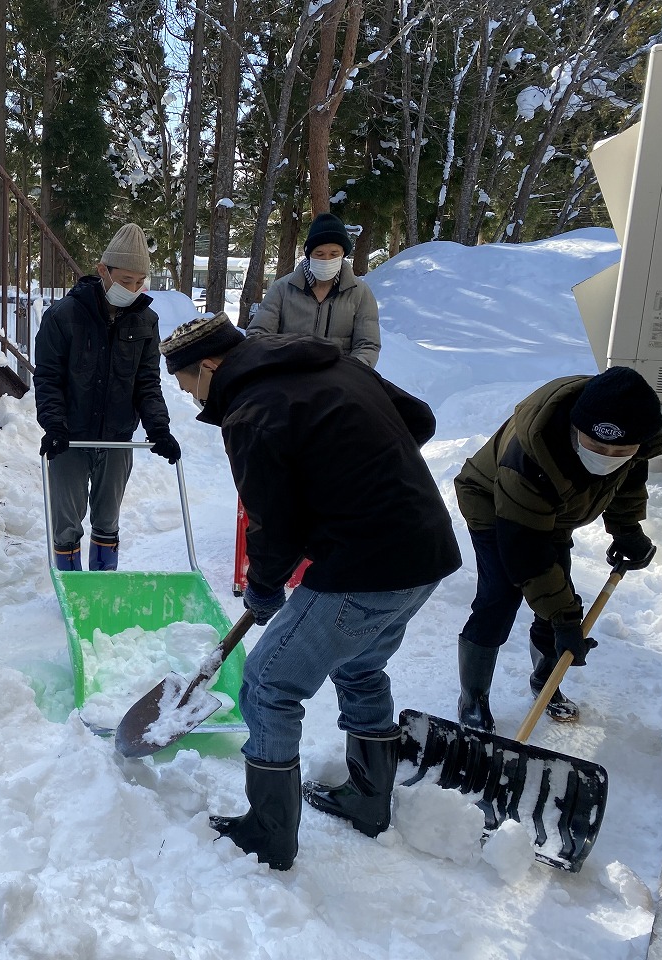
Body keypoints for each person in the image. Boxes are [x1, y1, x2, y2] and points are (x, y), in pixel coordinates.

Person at [159, 314, 460, 871]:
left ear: (207, 367)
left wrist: (264, 592)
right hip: (427, 551)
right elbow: (418, 419)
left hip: (367, 564)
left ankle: (269, 832)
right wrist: (353, 471)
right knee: (361, 667)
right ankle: (368, 800)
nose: (192, 398)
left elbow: (270, 525)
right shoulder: (331, 364)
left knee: (270, 682)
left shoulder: (252, 412)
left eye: (186, 386)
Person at [454, 367, 662, 731]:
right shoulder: (532, 453)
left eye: (621, 451)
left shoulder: (633, 437)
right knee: (501, 597)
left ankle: (545, 683)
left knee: (560, 597)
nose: (607, 457)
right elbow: (528, 553)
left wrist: (627, 529)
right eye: (597, 446)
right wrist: (565, 620)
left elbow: (627, 481)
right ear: (574, 428)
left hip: (554, 512)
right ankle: (473, 697)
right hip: (494, 502)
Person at [32, 223, 180, 571]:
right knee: (66, 523)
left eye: (138, 281)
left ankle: (102, 585)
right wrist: (54, 426)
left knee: (108, 520)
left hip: (117, 440)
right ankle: (71, 587)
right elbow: (48, 379)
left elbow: (147, 382)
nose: (132, 289)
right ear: (103, 271)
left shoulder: (146, 320)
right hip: (70, 439)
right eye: (125, 280)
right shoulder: (63, 316)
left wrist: (159, 428)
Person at [246, 212, 380, 367]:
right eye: (320, 254)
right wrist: (279, 365)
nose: (327, 259)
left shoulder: (360, 293)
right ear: (309, 254)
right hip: (287, 377)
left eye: (334, 254)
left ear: (343, 253)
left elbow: (368, 345)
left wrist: (348, 373)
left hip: (339, 382)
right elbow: (258, 335)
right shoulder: (282, 289)